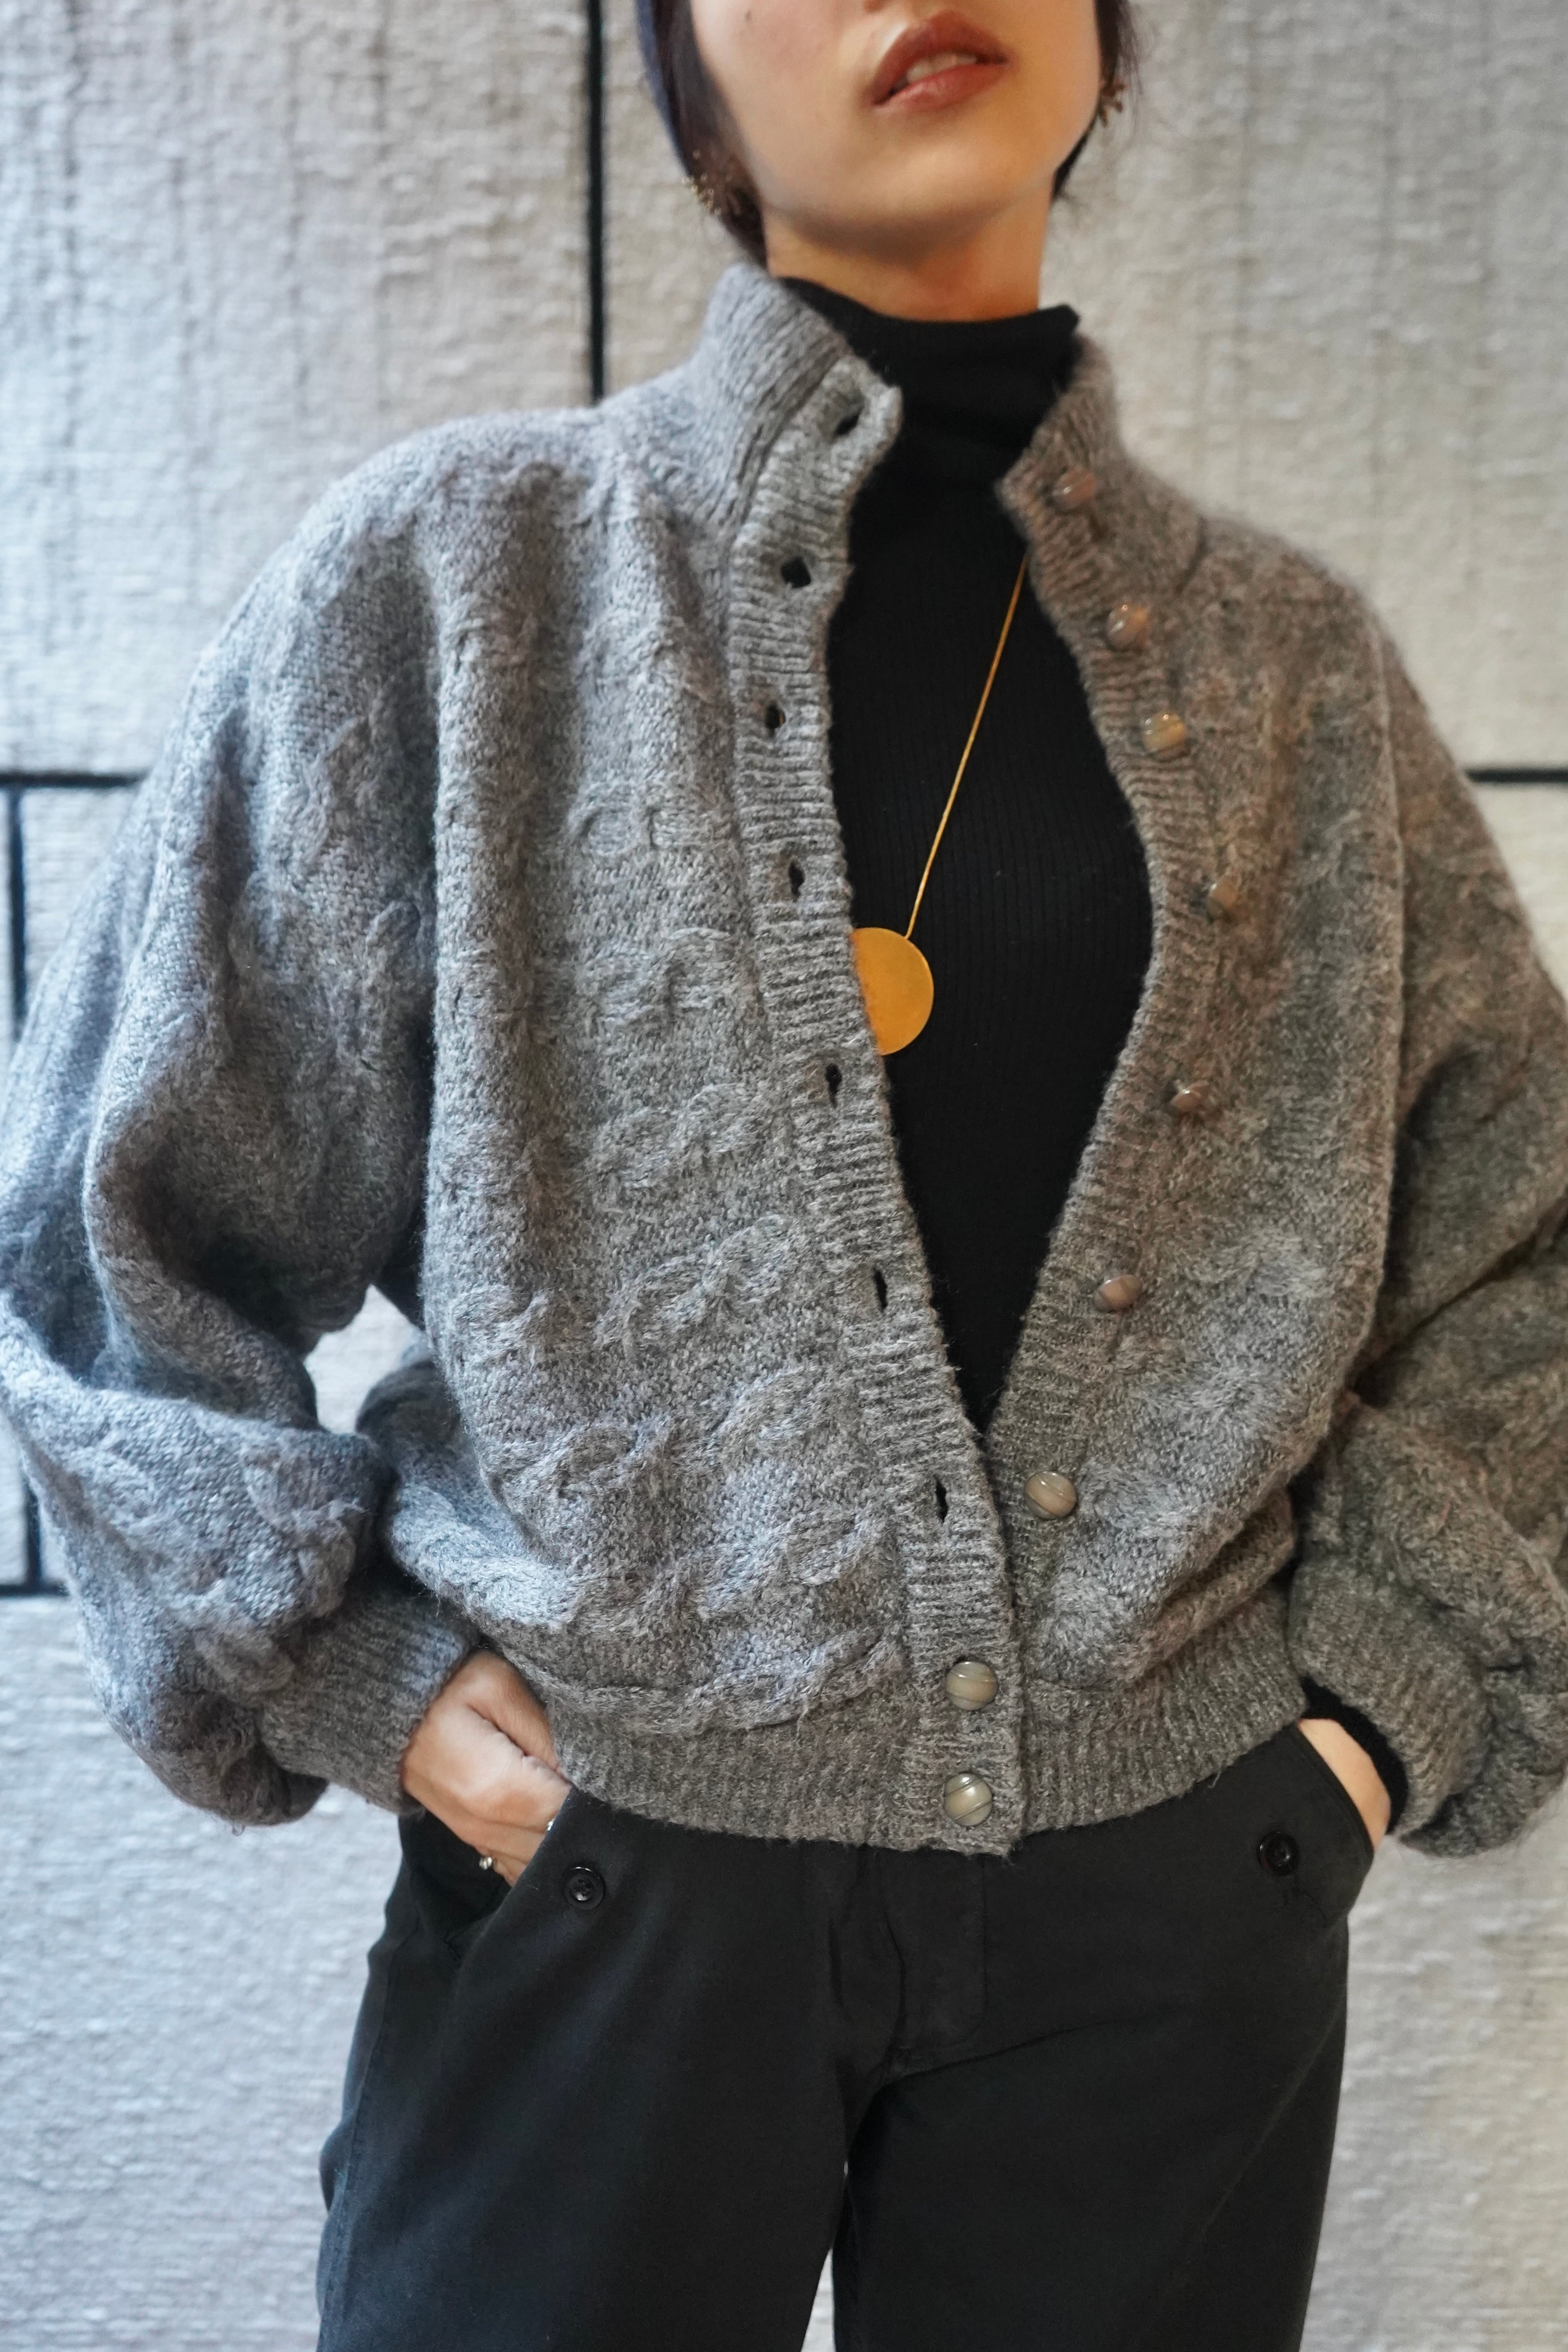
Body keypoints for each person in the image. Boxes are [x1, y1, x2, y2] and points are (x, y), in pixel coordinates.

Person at [1, 1, 1566, 2344]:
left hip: (1164, 1905)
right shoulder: (464, 582)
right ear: (687, 81)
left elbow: (1522, 1235)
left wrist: (1355, 1738)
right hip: (602, 1875)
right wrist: (355, 1677)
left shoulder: (1293, 678)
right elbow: (108, 1238)